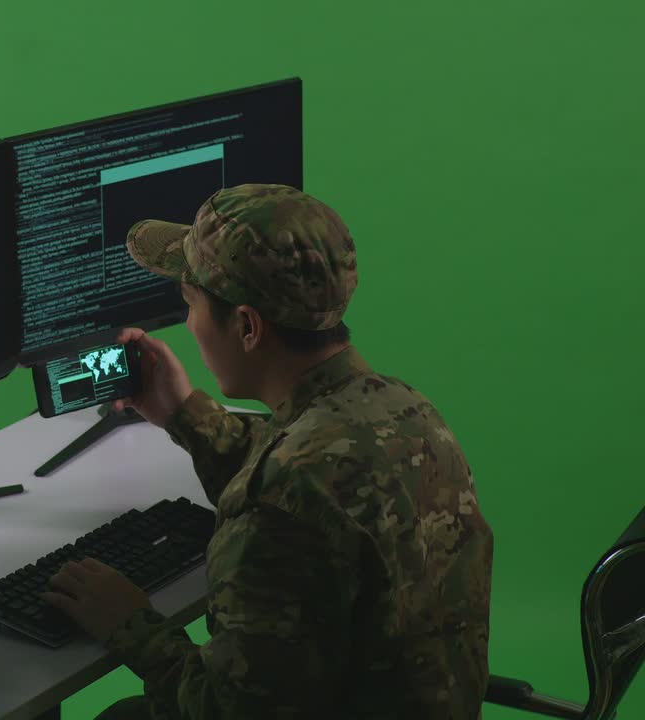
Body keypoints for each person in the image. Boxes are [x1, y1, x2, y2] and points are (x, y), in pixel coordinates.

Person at [38, 183, 494, 719]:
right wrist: (182, 412)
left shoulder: (279, 508)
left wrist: (130, 623)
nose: (189, 325)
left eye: (190, 304)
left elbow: (224, 710)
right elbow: (311, 476)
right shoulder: (405, 411)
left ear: (247, 326)